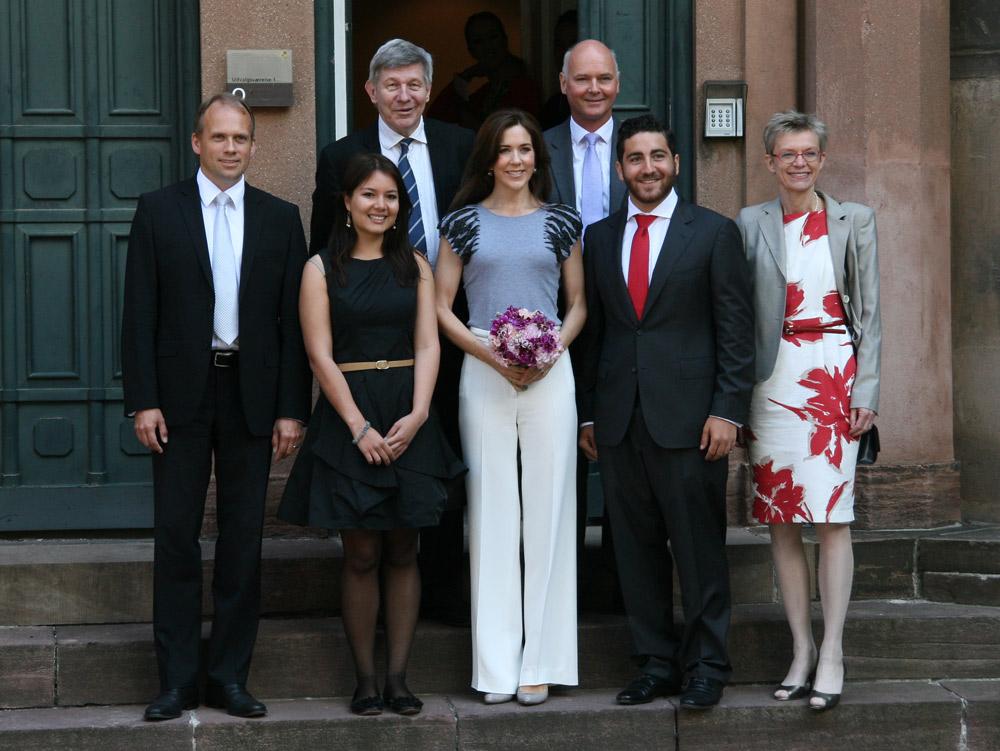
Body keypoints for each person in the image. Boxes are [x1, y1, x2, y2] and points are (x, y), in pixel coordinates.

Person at [121, 93, 311, 721]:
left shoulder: (282, 219)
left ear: (253, 147)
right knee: (176, 535)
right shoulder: (157, 211)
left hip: (251, 396)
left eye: (242, 139)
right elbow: (139, 315)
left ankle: (229, 676)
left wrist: (292, 408)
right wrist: (142, 400)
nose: (231, 148)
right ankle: (175, 680)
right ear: (197, 143)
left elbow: (291, 323)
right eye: (220, 137)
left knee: (243, 539)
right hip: (178, 398)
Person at [577, 114, 754, 709]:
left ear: (676, 163)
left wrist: (727, 411)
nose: (646, 168)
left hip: (692, 422)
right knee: (633, 547)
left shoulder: (712, 233)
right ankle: (654, 660)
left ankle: (706, 664)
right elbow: (594, 337)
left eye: (657, 156)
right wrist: (588, 416)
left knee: (699, 548)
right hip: (620, 422)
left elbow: (735, 330)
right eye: (634, 158)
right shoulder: (599, 238)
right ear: (621, 168)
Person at [278, 153, 463, 716]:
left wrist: (421, 412)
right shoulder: (319, 269)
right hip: (349, 416)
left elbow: (429, 343)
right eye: (369, 195)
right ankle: (364, 681)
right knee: (360, 552)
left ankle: (400, 679)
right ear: (348, 203)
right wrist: (359, 427)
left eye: (390, 197)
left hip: (409, 413)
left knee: (405, 547)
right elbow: (319, 354)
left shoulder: (414, 264)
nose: (381, 205)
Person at [311, 38, 474, 625]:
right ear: (371, 92)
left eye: (415, 85)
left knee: (444, 463)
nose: (404, 96)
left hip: (449, 334)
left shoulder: (461, 146)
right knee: (373, 479)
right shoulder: (340, 157)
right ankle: (377, 596)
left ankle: (443, 596)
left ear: (429, 91)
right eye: (392, 85)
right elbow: (322, 250)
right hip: (368, 342)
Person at [435, 109, 586, 706]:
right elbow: (443, 305)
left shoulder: (563, 223)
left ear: (537, 158)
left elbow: (578, 304)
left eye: (526, 149)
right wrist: (492, 353)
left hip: (552, 373)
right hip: (484, 370)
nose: (517, 159)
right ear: (489, 159)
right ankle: (495, 667)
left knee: (549, 512)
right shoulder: (461, 223)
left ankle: (540, 663)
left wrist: (551, 350)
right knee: (492, 511)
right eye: (506, 150)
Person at [736, 110, 881, 711]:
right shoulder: (750, 223)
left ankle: (834, 651)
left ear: (822, 159)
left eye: (809, 153)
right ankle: (800, 648)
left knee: (832, 515)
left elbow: (871, 314)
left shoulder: (855, 220)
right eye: (787, 154)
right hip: (772, 380)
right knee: (780, 516)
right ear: (769, 162)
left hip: (834, 372)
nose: (799, 162)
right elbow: (737, 309)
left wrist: (865, 392)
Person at [543, 38, 627, 585]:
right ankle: (561, 584)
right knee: (558, 453)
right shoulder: (536, 147)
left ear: (617, 83)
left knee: (625, 450)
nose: (593, 88)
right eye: (582, 79)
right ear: (564, 84)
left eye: (603, 78)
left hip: (630, 319)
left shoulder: (643, 146)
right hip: (551, 320)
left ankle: (624, 585)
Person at [428, 12, 542, 131]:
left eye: (493, 37)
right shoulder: (484, 94)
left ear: (504, 40)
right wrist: (465, 76)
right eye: (478, 41)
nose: (488, 46)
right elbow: (435, 117)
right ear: (471, 51)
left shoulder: (524, 87)